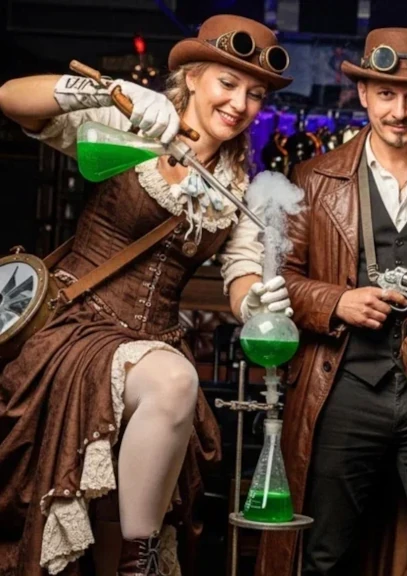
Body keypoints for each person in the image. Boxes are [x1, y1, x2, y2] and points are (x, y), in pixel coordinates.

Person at [0, 14, 294, 576]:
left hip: (152, 343)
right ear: (192, 77)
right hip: (75, 332)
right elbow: (12, 99)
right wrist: (106, 91)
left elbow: (241, 275)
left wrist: (255, 304)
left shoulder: (241, 185)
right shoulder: (130, 122)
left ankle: (134, 563)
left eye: (256, 94)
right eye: (227, 83)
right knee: (176, 381)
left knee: (118, 504)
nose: (240, 104)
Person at [255, 27, 407, 576]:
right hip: (342, 385)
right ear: (363, 93)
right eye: (386, 94)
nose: (400, 111)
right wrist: (336, 300)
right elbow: (279, 279)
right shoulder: (313, 178)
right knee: (320, 553)